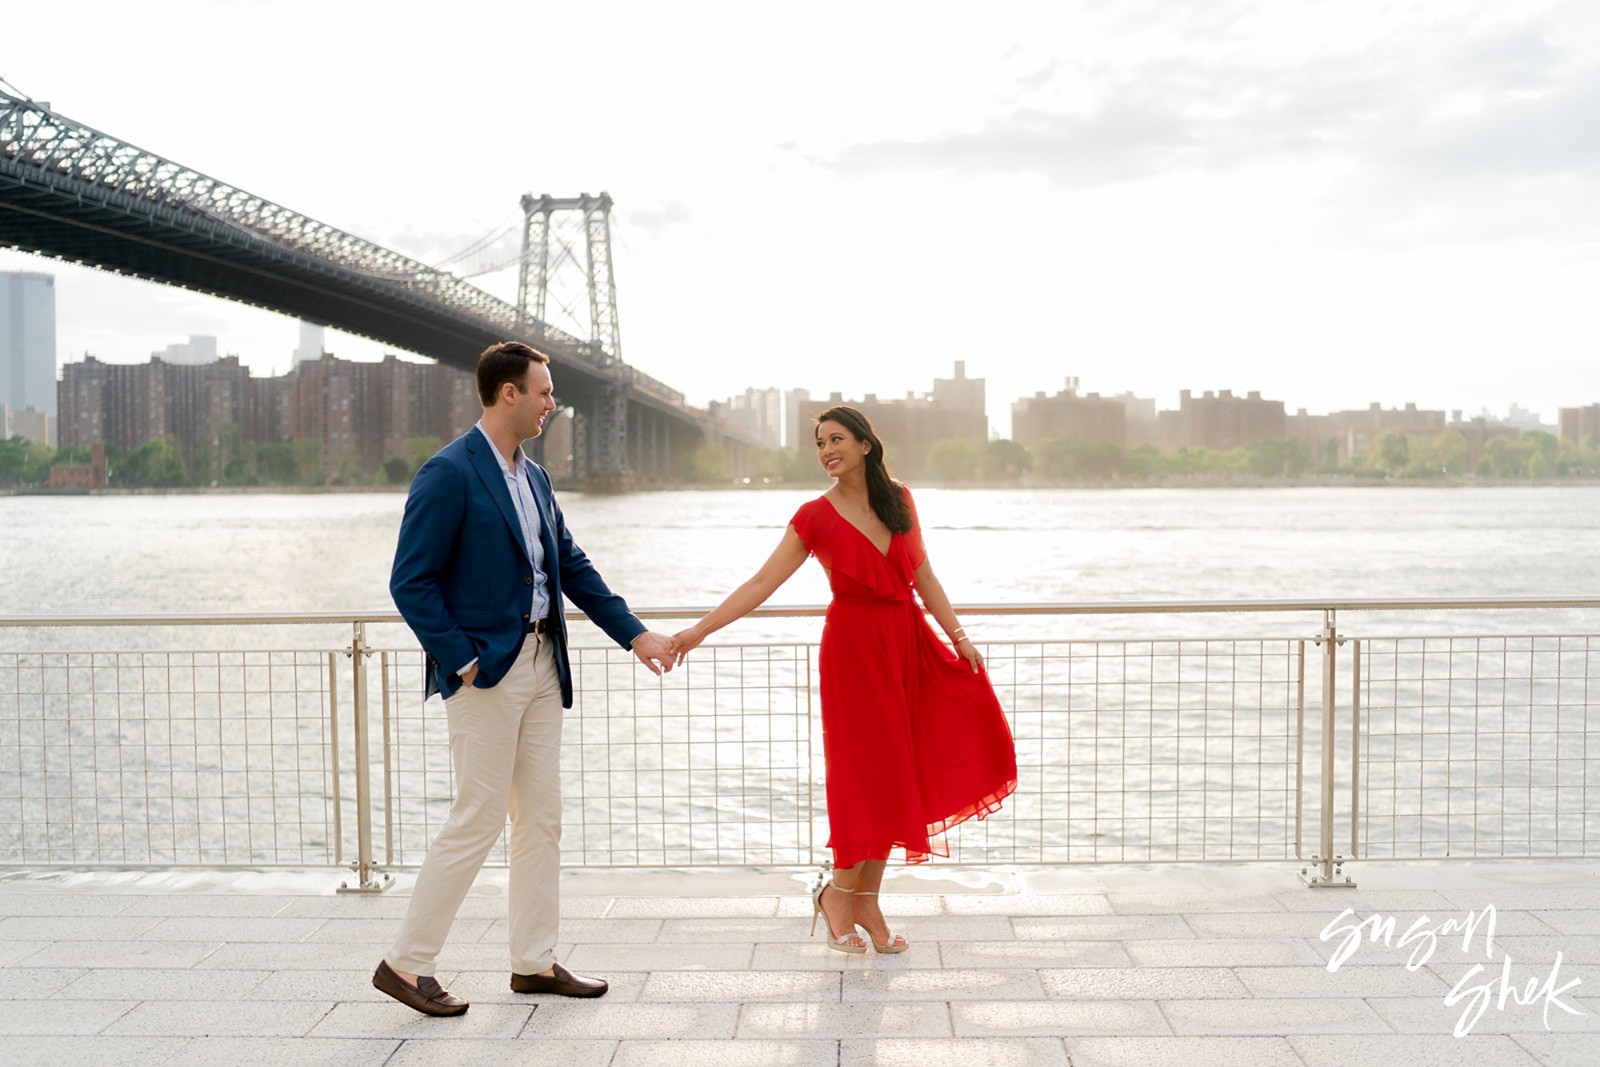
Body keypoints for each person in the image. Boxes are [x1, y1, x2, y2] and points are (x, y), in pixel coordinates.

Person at [374, 340, 677, 1016]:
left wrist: (636, 633)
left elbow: (570, 564)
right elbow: (410, 580)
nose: (552, 402)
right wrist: (464, 657)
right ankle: (405, 962)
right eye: (543, 391)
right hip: (487, 673)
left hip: (544, 663)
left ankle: (533, 962)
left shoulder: (535, 477)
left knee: (541, 817)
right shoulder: (448, 472)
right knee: (478, 815)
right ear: (507, 392)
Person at [672, 405, 1016, 953]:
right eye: (818, 443)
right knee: (863, 776)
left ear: (864, 445)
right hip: (854, 653)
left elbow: (923, 572)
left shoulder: (899, 499)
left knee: (901, 771)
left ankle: (865, 901)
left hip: (908, 643)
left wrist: (959, 637)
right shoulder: (814, 516)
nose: (826, 450)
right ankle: (840, 895)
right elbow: (762, 581)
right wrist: (698, 632)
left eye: (836, 439)